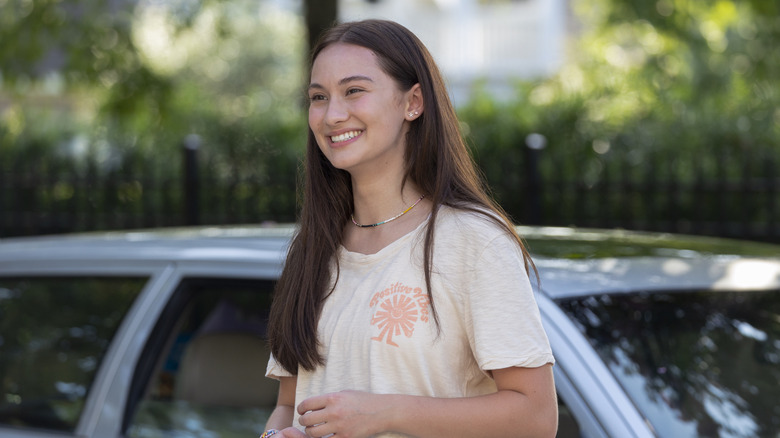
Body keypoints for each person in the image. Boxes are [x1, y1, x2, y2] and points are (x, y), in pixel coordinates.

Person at [262, 19, 557, 438]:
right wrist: (275, 435)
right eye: (318, 97)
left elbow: (536, 417)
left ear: (413, 102)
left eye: (354, 91)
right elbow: (289, 405)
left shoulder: (475, 241)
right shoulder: (312, 249)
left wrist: (387, 413)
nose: (332, 114)